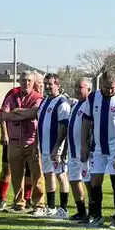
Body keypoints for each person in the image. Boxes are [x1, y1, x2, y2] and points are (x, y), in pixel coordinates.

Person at [81, 69, 115, 228]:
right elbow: (86, 121)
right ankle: (97, 215)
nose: (110, 90)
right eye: (106, 87)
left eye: (113, 87)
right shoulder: (93, 98)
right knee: (95, 182)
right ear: (101, 85)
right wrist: (84, 144)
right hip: (97, 148)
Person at [0, 70, 45, 212]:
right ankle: (19, 203)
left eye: (29, 80)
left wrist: (16, 111)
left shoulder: (38, 97)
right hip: (14, 143)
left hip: (32, 142)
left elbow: (34, 112)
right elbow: (4, 115)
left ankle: (39, 204)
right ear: (19, 81)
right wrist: (24, 114)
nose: (26, 83)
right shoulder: (11, 96)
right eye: (24, 80)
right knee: (16, 176)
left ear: (33, 82)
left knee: (37, 175)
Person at [34, 73, 72, 219]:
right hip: (44, 147)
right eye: (45, 84)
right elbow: (40, 125)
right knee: (48, 175)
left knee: (60, 175)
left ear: (57, 85)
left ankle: (64, 209)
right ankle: (51, 207)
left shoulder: (62, 103)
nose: (47, 87)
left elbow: (63, 128)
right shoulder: (44, 102)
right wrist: (36, 145)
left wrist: (57, 148)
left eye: (50, 84)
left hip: (56, 148)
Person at [65, 77, 93, 221]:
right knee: (74, 180)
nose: (76, 90)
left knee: (88, 182)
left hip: (84, 152)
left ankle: (93, 212)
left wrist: (86, 146)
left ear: (89, 90)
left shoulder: (91, 105)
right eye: (75, 87)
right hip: (72, 151)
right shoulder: (75, 105)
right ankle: (81, 211)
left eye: (79, 87)